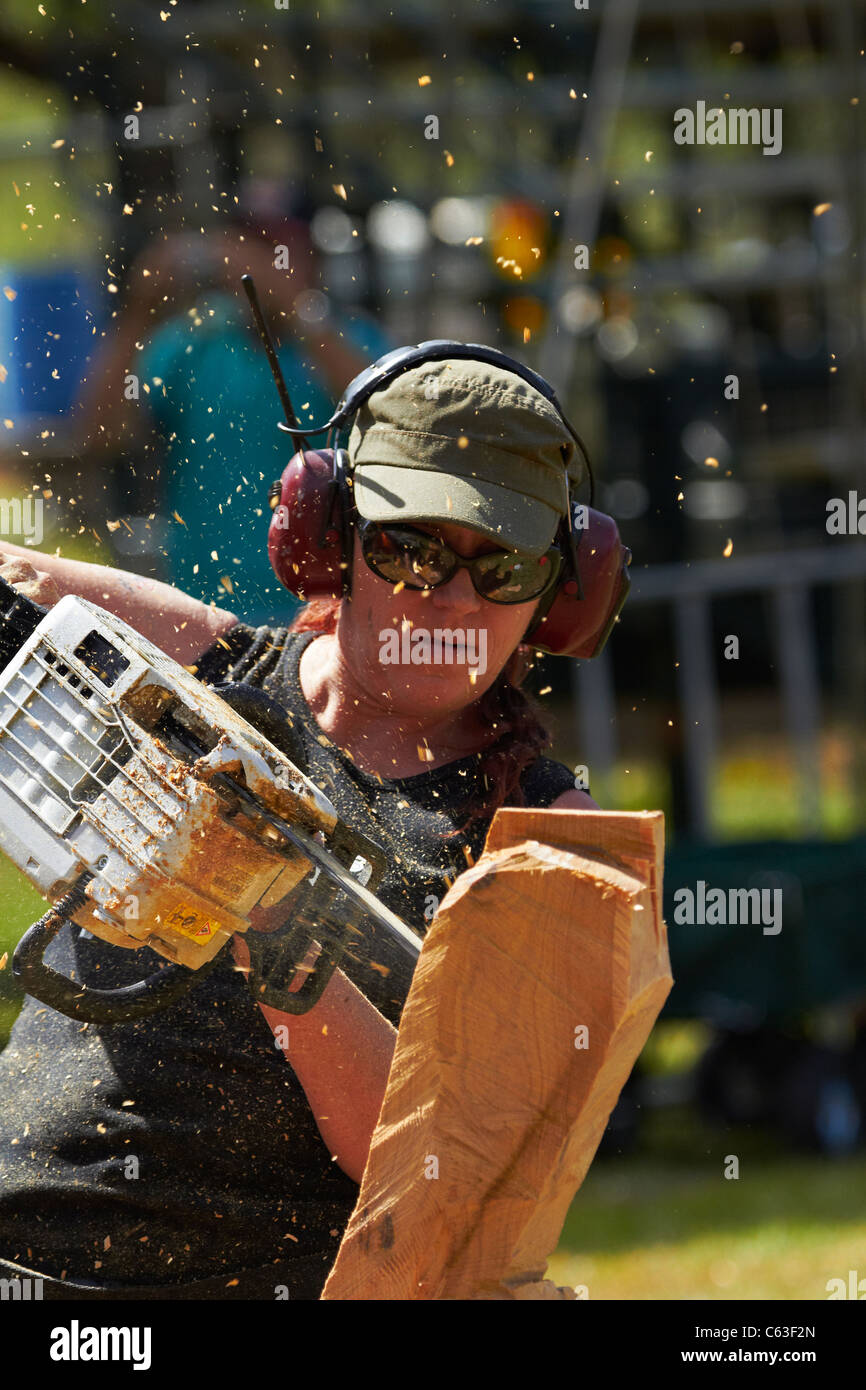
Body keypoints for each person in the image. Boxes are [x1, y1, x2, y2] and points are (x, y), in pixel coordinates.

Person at [0, 356, 598, 1300]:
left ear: (561, 594)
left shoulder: (549, 839)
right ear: (332, 535)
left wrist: (271, 920)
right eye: (411, 549)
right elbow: (13, 579)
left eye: (504, 567)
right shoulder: (201, 667)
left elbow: (434, 1164)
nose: (450, 600)